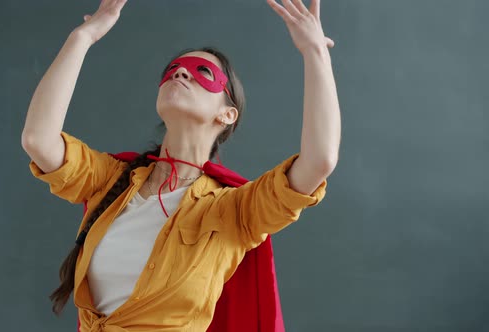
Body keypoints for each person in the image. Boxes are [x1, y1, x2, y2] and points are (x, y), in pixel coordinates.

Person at [22, 0, 340, 330]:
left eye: (204, 73)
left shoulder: (234, 211)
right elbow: (38, 139)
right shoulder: (109, 180)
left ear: (227, 114)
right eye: (172, 70)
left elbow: (319, 161)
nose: (181, 72)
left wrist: (315, 51)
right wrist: (82, 37)